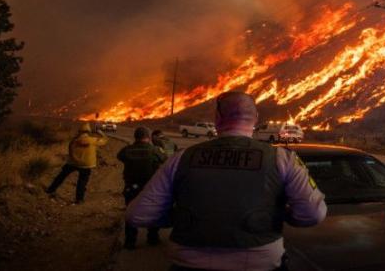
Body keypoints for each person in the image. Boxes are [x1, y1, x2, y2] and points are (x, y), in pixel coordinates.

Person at [126, 91, 327, 270]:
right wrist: (279, 215)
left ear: (217, 118)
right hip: (259, 262)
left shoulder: (182, 158)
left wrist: (178, 218)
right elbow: (313, 214)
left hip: (188, 263)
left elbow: (137, 214)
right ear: (255, 119)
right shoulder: (282, 158)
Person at [117, 126, 166, 249]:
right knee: (153, 211)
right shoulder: (154, 150)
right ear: (148, 137)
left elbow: (120, 156)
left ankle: (130, 242)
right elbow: (164, 159)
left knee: (131, 212)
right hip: (150, 188)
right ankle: (152, 238)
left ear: (136, 137)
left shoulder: (127, 150)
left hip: (131, 187)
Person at [45, 122, 109, 204]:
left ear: (79, 131)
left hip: (73, 163)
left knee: (61, 176)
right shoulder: (93, 140)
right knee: (82, 182)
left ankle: (50, 189)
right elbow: (105, 140)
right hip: (86, 165)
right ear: (88, 132)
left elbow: (70, 151)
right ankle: (79, 199)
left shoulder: (74, 141)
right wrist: (100, 132)